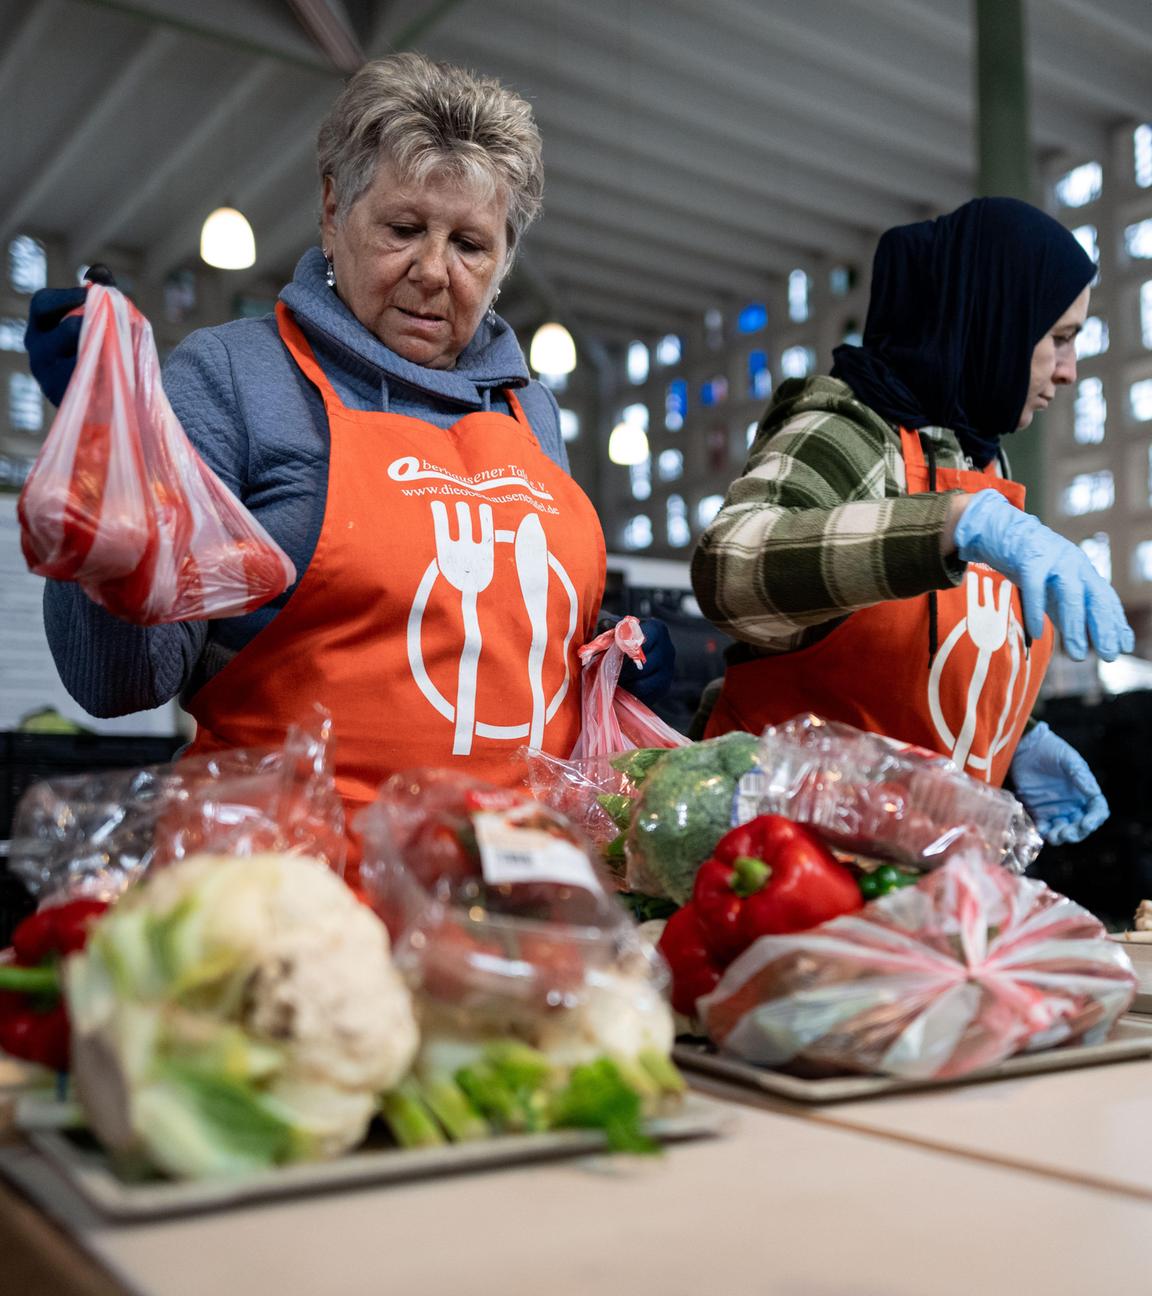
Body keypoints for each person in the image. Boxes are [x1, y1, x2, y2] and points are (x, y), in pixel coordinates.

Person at [23, 53, 671, 815]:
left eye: (470, 244)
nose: (434, 270)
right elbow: (119, 683)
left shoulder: (533, 414)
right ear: (333, 213)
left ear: (505, 260)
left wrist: (603, 652)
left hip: (500, 889)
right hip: (287, 880)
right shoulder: (233, 377)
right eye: (403, 228)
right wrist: (107, 454)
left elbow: (482, 637)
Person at [691, 197, 1133, 846]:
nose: (1068, 372)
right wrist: (951, 521)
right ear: (995, 322)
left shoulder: (976, 455)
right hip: (774, 853)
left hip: (898, 861)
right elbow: (730, 569)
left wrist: (1017, 735)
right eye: (1059, 339)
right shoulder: (848, 427)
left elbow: (914, 660)